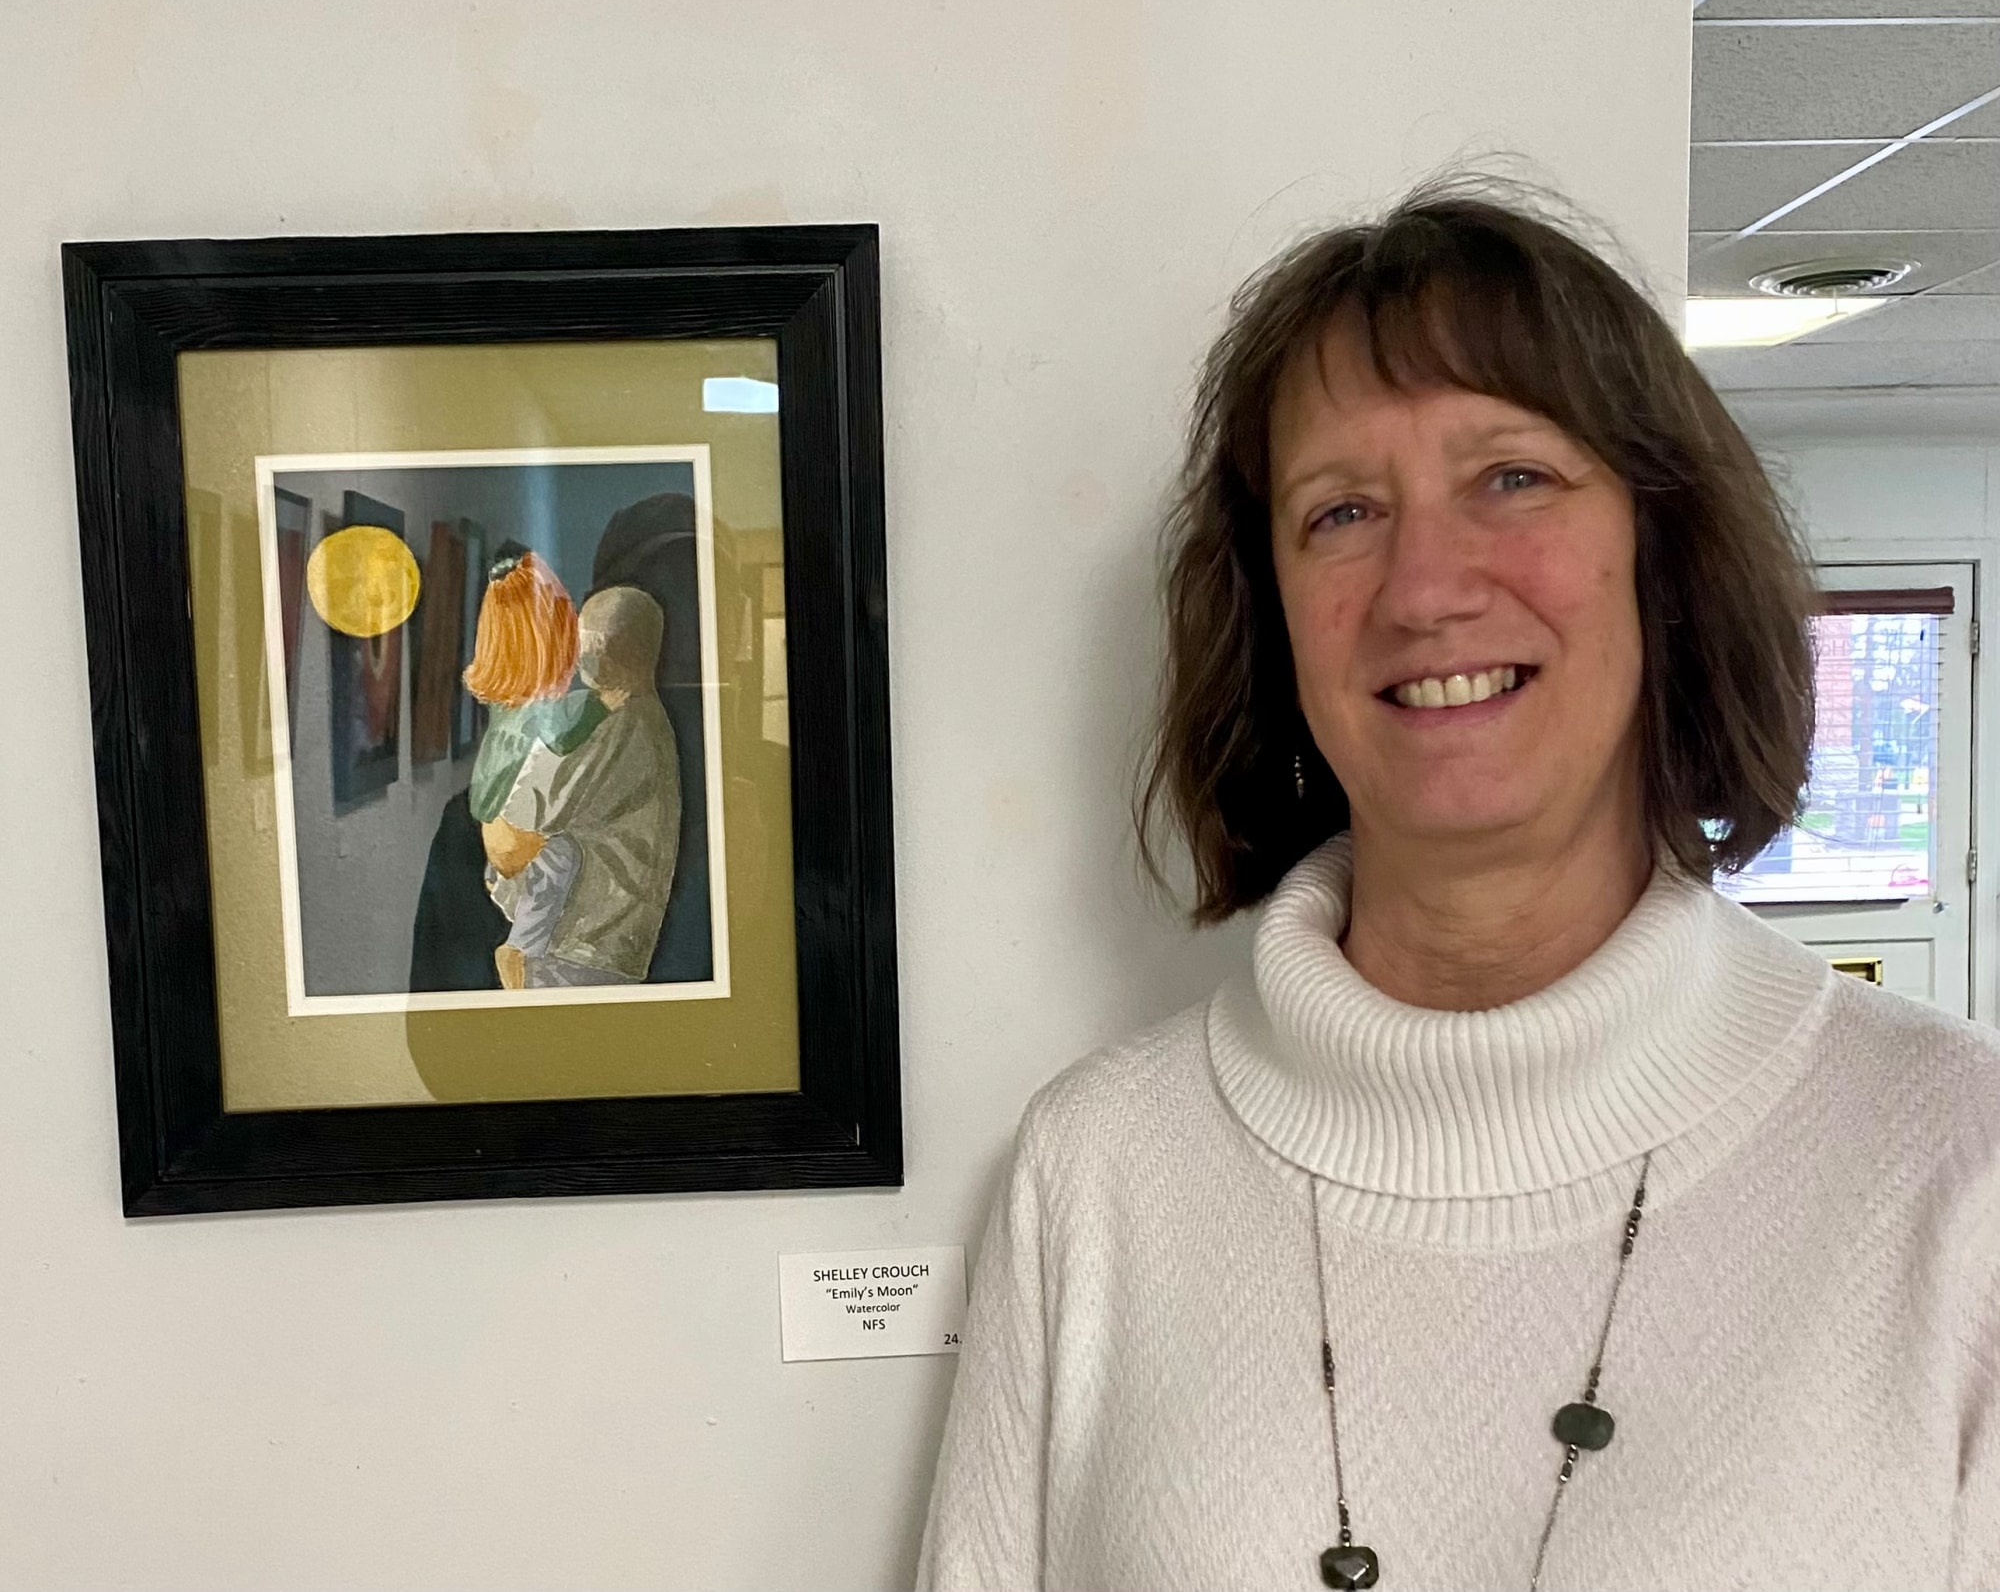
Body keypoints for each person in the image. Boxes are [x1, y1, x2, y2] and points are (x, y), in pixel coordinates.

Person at [917, 185, 2000, 1590]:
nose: (1423, 588)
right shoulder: (1095, 1174)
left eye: (1512, 477)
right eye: (1341, 511)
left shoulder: (1955, 1166)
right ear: (1273, 619)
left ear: (1662, 555)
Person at [482, 585, 681, 988]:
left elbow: (507, 849)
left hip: (567, 958)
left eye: (581, 638)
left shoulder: (604, 729)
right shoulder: (652, 723)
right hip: (615, 954)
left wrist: (495, 781)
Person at [456, 548, 609, 988]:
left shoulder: (505, 705)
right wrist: (603, 705)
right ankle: (521, 947)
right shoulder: (544, 709)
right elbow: (564, 736)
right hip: (512, 829)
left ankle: (522, 938)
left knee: (548, 871)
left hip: (493, 824)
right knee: (562, 861)